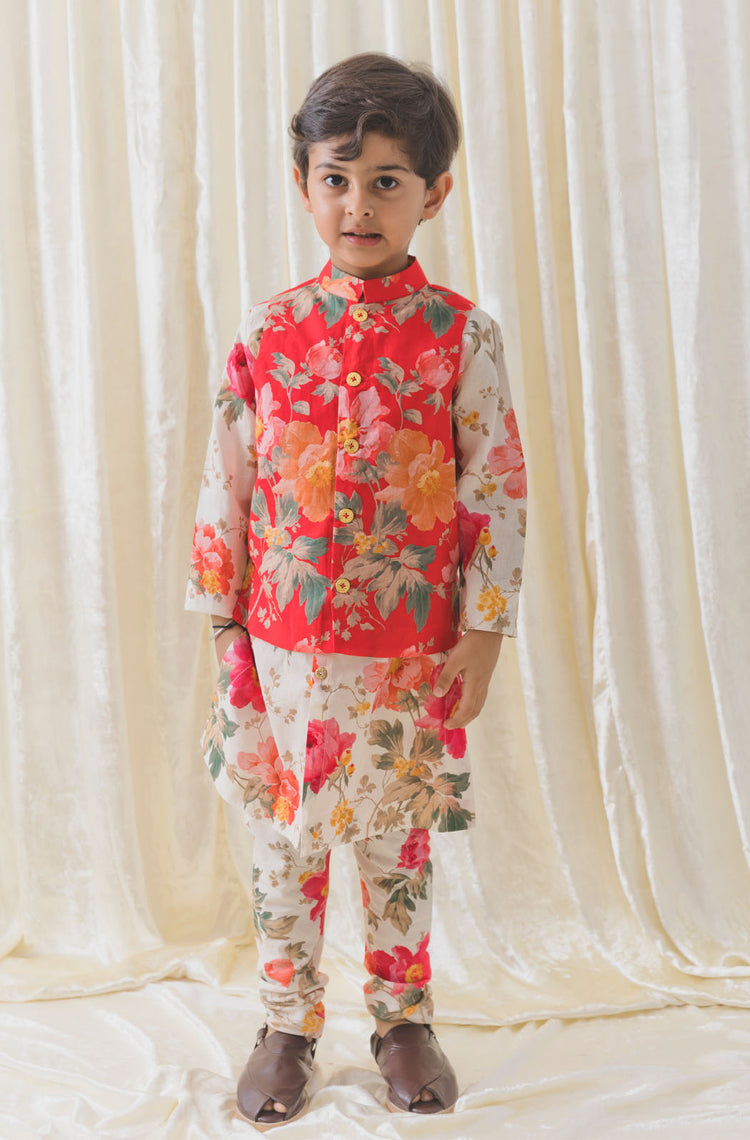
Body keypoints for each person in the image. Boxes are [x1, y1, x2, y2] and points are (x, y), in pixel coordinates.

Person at [186, 51, 526, 1129]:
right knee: (284, 849)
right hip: (279, 651)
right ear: (304, 184)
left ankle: (402, 1020)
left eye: (386, 181)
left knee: (394, 842)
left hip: (408, 653)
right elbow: (227, 482)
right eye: (337, 178)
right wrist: (223, 626)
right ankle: (286, 1025)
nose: (359, 205)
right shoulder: (267, 333)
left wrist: (484, 632)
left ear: (435, 192)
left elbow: (495, 489)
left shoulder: (462, 337)